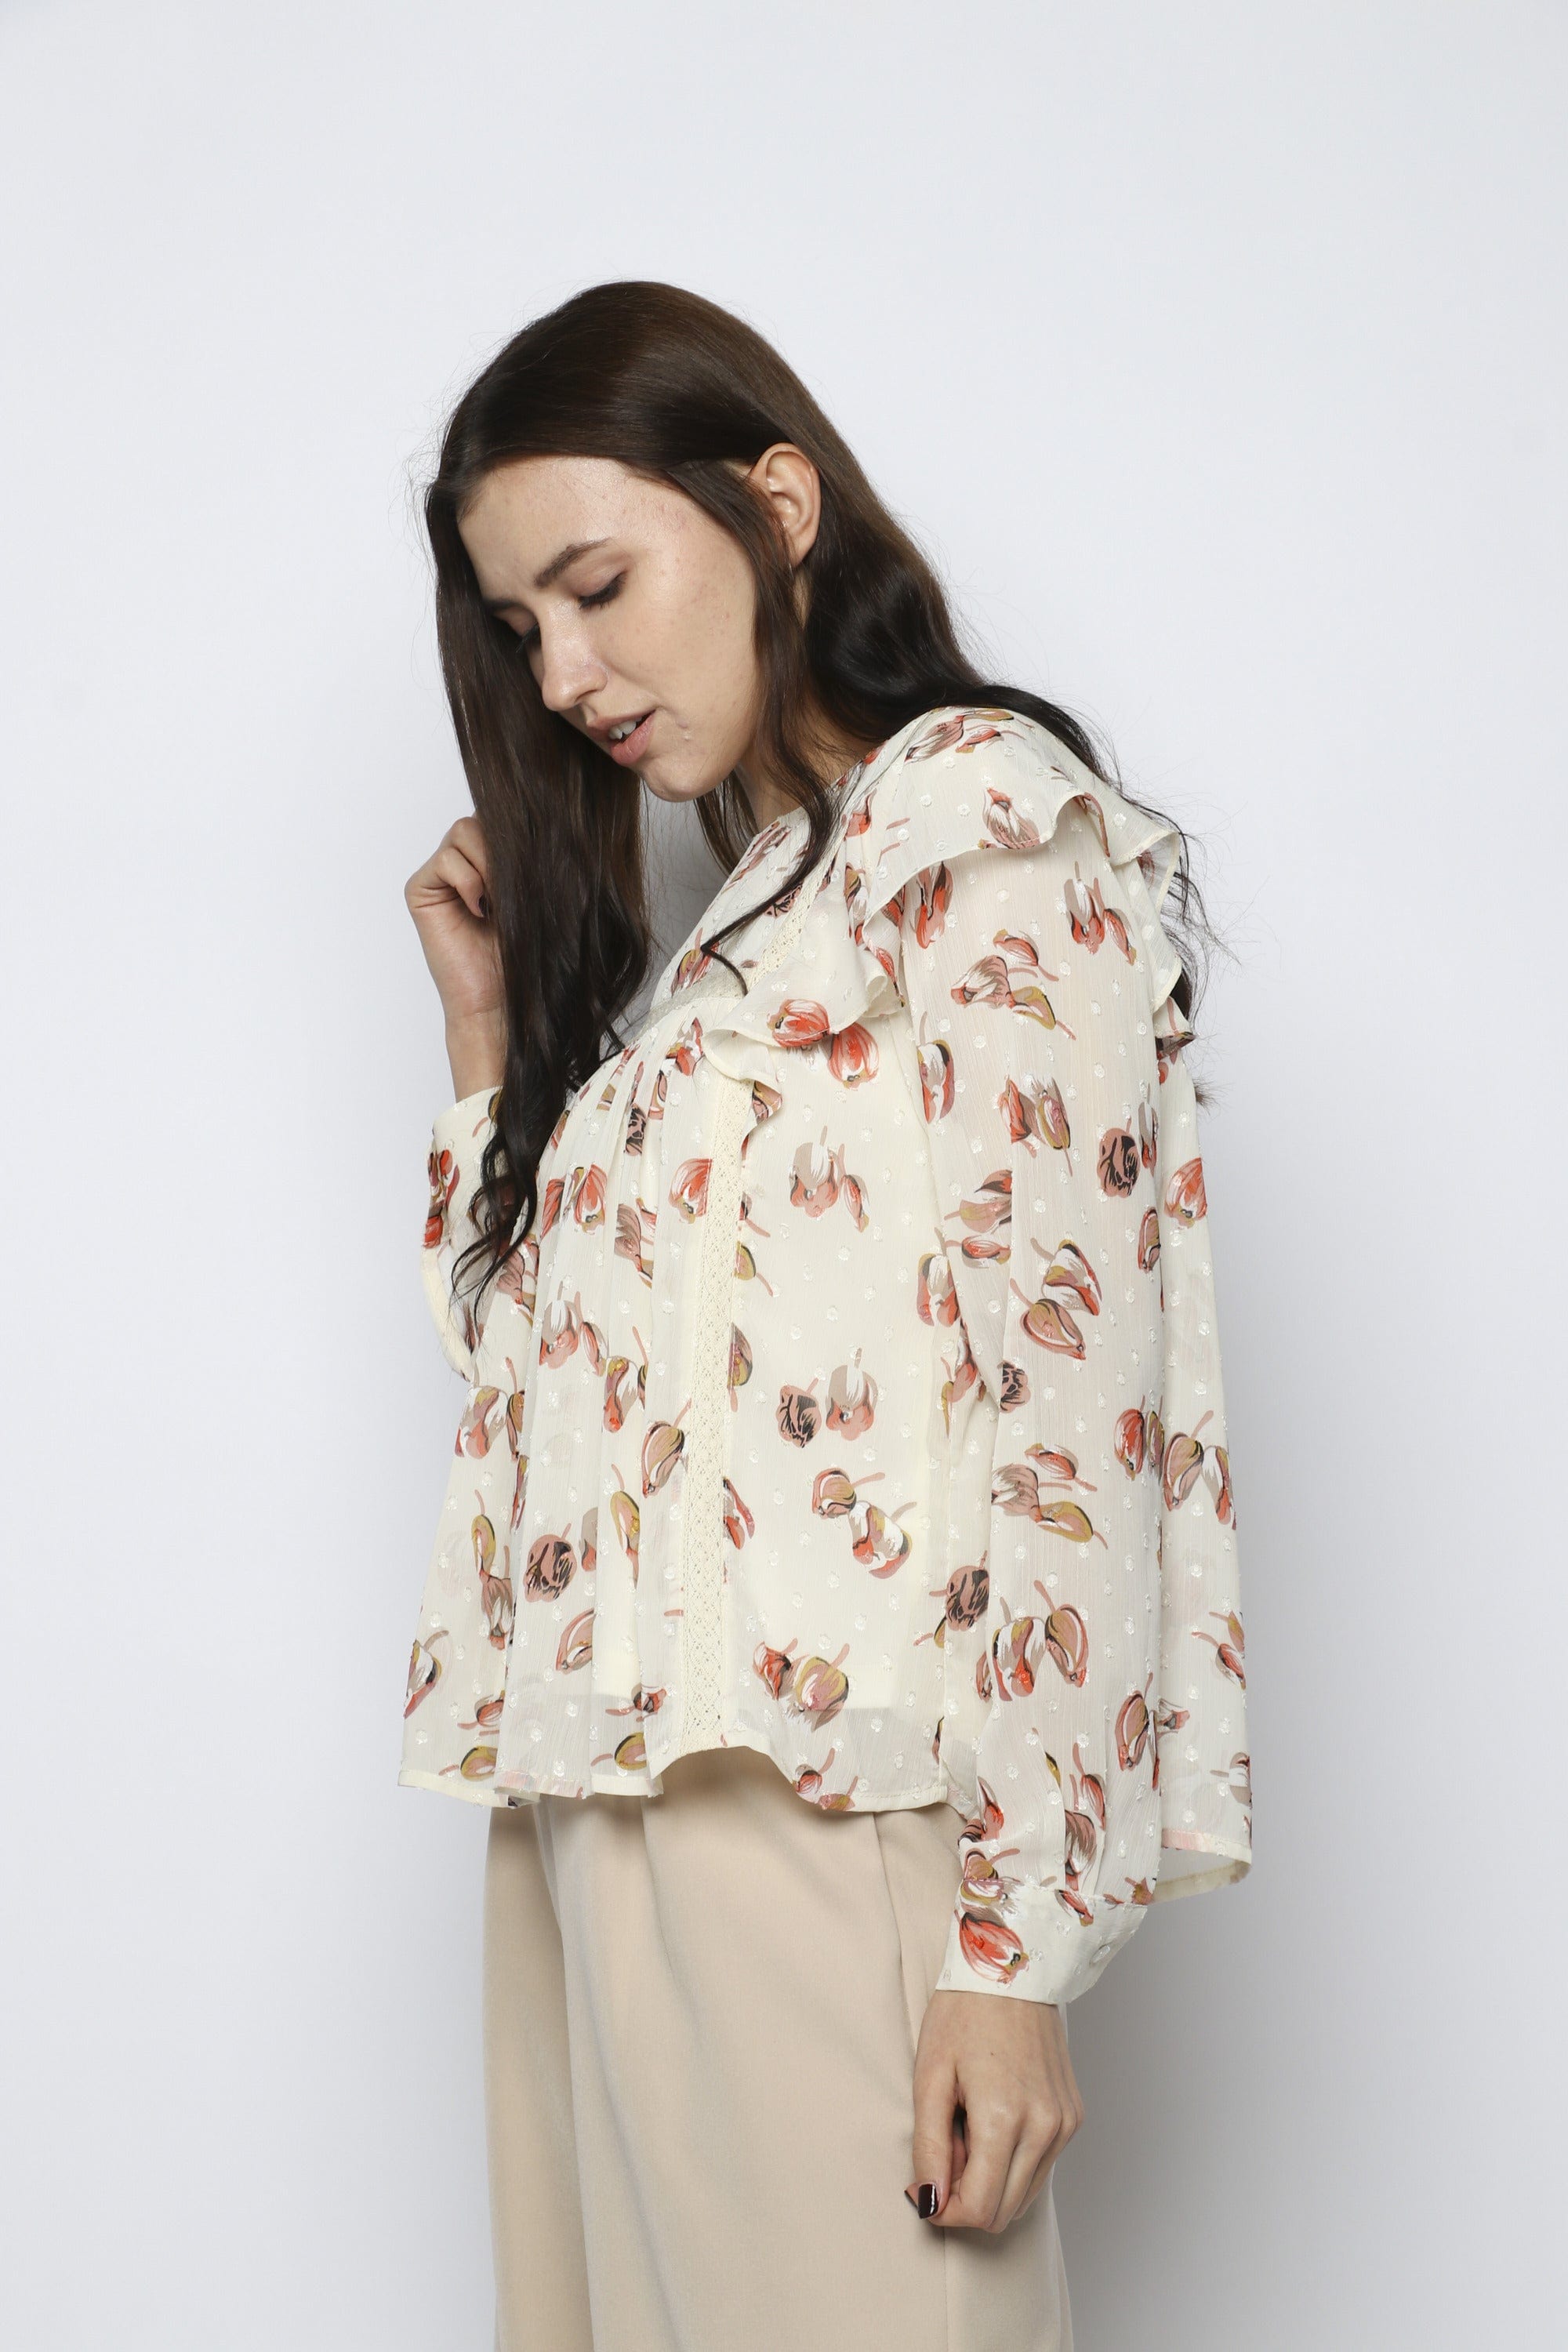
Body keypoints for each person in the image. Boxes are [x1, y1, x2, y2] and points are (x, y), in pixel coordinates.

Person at [398, 280, 1250, 2352]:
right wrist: (491, 1049)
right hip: (582, 1823)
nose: (565, 674)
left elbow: (1077, 1408)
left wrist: (1011, 1950)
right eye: (520, 629)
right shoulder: (732, 947)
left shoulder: (977, 827)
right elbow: (542, 1403)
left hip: (819, 1825)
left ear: (777, 506)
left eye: (597, 586)